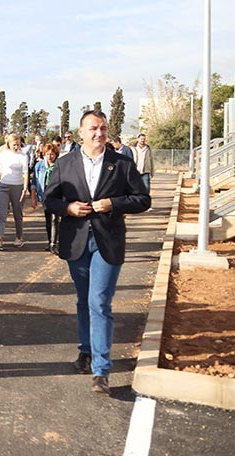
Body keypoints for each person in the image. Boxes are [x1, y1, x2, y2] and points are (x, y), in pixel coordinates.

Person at [43, 110, 150, 395]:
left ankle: (101, 370)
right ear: (81, 133)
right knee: (83, 300)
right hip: (76, 240)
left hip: (108, 242)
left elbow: (142, 199)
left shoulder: (122, 164)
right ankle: (86, 350)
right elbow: (48, 199)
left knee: (99, 301)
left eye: (103, 128)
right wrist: (68, 208)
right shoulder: (65, 164)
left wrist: (113, 204)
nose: (98, 133)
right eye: (93, 128)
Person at [0, 133, 29, 250]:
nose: (16, 147)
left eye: (18, 144)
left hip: (17, 187)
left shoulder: (23, 156)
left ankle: (19, 237)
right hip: (4, 186)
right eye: (14, 145)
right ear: (8, 144)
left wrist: (25, 188)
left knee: (17, 214)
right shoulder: (3, 154)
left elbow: (25, 173)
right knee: (2, 214)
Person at [31, 142, 60, 253]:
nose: (50, 156)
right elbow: (34, 182)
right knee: (48, 220)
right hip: (44, 194)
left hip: (56, 195)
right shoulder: (39, 166)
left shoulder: (59, 165)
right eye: (47, 154)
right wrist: (33, 198)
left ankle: (54, 243)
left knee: (55, 219)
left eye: (52, 154)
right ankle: (50, 242)